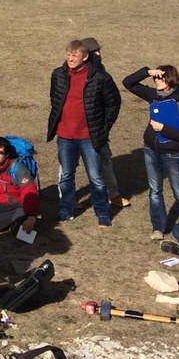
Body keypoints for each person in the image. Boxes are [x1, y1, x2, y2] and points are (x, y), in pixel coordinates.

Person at [46, 39, 121, 228]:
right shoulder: (58, 75)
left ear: (85, 57)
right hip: (65, 136)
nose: (71, 59)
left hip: (90, 137)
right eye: (68, 55)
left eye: (75, 55)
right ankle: (66, 211)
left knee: (95, 177)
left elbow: (113, 103)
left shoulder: (100, 77)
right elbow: (55, 99)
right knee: (66, 176)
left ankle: (103, 214)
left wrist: (104, 128)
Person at [123, 64, 179, 242]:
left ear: (171, 78)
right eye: (155, 78)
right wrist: (146, 72)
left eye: (161, 77)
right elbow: (128, 83)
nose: (157, 80)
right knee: (155, 190)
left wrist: (164, 129)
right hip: (150, 149)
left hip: (172, 153)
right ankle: (158, 227)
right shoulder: (153, 95)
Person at [82, 38, 130, 208]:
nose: (98, 54)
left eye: (98, 50)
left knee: (105, 161)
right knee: (67, 167)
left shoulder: (101, 72)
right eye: (95, 52)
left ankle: (113, 194)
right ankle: (68, 199)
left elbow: (112, 102)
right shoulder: (71, 72)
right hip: (75, 130)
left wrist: (105, 126)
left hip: (97, 129)